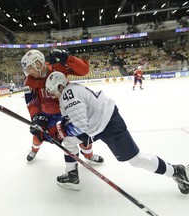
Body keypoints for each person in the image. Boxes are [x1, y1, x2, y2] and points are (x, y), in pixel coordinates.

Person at [45, 71, 189, 193]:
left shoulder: (67, 93)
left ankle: (176, 170)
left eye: (53, 91)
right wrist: (56, 129)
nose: (53, 95)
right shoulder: (72, 90)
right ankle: (72, 175)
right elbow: (73, 119)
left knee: (136, 160)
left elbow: (80, 125)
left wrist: (61, 131)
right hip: (97, 125)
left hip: (108, 124)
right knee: (69, 141)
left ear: (60, 86)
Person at [21, 49, 104, 163]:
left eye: (30, 68)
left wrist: (68, 59)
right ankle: (34, 150)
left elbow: (84, 70)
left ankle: (89, 155)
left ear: (38, 63)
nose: (29, 73)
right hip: (48, 114)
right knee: (38, 134)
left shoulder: (58, 67)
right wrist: (36, 117)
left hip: (69, 109)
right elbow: (32, 103)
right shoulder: (29, 81)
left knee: (82, 135)